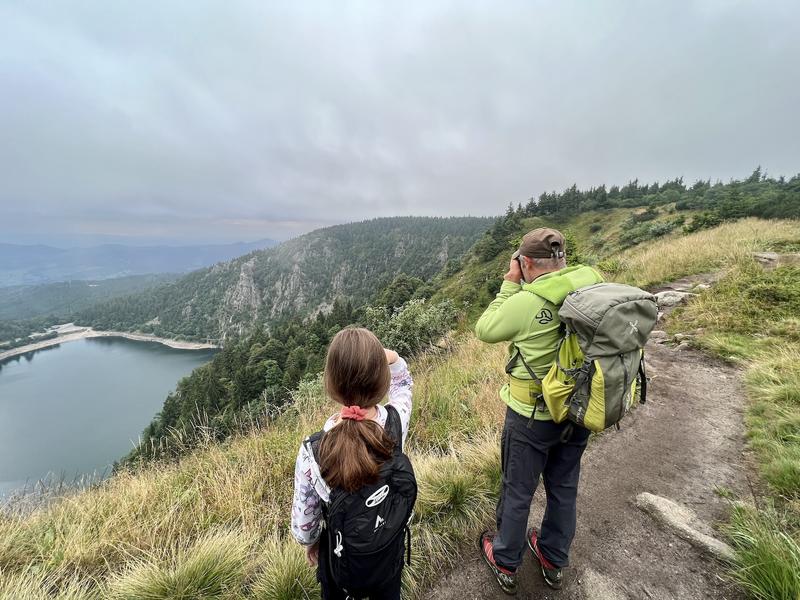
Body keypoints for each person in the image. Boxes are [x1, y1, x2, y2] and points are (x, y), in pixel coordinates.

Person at [474, 228, 604, 595]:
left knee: (517, 491)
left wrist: (510, 283)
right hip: (578, 409)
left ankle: (505, 562)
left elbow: (484, 328)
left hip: (532, 415)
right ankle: (552, 558)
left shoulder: (527, 301)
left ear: (526, 262)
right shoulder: (591, 282)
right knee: (564, 487)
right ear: (562, 258)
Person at [291, 327, 414, 600]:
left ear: (331, 384)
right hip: (387, 552)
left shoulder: (313, 451)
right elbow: (404, 384)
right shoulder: (396, 423)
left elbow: (305, 521)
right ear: (380, 380)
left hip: (340, 562)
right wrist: (390, 358)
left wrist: (311, 544)